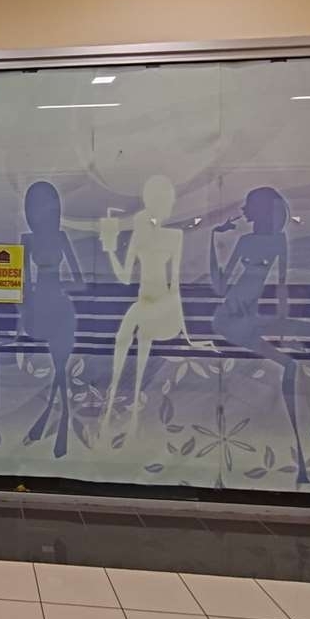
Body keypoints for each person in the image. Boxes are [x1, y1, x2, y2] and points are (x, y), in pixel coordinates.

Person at [209, 186, 310, 485]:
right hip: (230, 319)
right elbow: (221, 287)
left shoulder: (279, 241)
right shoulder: (245, 241)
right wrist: (212, 241)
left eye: (250, 205)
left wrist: (282, 325)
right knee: (290, 365)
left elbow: (280, 287)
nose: (245, 210)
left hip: (252, 318)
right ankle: (301, 460)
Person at [97, 176, 212, 440]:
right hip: (144, 304)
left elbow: (176, 285)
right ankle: (113, 404)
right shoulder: (139, 236)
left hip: (164, 308)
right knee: (128, 336)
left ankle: (129, 410)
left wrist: (184, 329)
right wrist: (110, 250)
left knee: (133, 332)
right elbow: (125, 278)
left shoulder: (175, 236)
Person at [19, 181, 84, 458]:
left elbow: (80, 281)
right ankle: (58, 416)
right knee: (59, 367)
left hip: (59, 306)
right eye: (38, 206)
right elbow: (22, 283)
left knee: (59, 366)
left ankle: (56, 417)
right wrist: (30, 302)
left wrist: (60, 288)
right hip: (39, 310)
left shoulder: (61, 237)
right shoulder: (28, 240)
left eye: (47, 206)